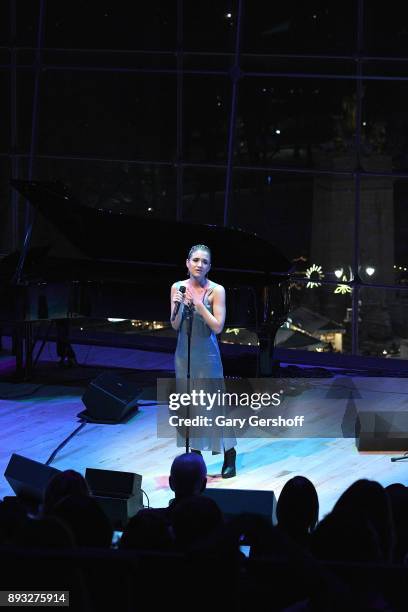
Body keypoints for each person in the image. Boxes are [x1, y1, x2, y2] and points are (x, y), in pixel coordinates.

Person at [170, 244, 236, 478]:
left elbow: (218, 327)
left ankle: (229, 452)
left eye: (204, 262)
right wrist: (177, 304)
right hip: (183, 353)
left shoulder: (217, 290)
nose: (199, 264)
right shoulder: (177, 287)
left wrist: (198, 306)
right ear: (187, 263)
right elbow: (175, 325)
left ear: (209, 267)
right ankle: (195, 455)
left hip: (206, 353)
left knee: (213, 404)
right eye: (195, 260)